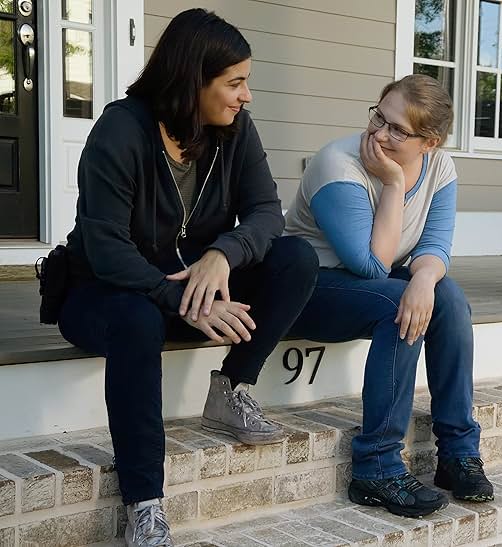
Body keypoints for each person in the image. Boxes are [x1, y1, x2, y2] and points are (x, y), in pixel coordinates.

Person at [58, 9, 318, 546]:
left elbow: (269, 211)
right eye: (234, 83)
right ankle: (145, 506)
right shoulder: (121, 130)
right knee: (133, 318)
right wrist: (179, 298)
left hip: (193, 289)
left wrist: (224, 253)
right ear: (191, 80)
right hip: (105, 295)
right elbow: (106, 250)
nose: (246, 96)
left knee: (297, 259)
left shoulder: (233, 129)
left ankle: (231, 387)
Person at [284, 74, 494, 518]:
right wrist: (395, 184)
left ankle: (458, 454)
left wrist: (423, 280)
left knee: (449, 298)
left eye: (397, 129)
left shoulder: (440, 168)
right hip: (309, 288)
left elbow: (436, 245)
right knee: (398, 304)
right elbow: (371, 264)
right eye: (379, 116)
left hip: (370, 286)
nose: (379, 133)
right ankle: (375, 467)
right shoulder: (338, 165)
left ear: (429, 142)